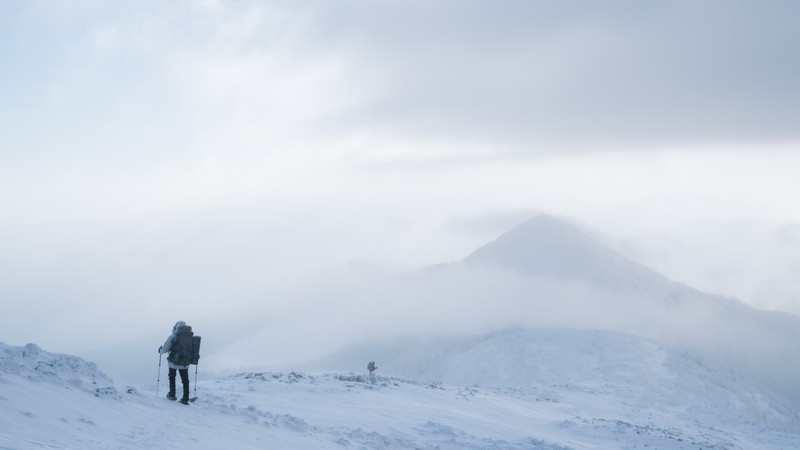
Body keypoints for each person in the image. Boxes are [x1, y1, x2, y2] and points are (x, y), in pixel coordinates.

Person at [159, 321, 192, 404]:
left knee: (172, 377)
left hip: (173, 362)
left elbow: (165, 349)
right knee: (185, 380)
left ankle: (172, 394)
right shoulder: (190, 336)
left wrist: (160, 351)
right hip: (185, 362)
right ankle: (185, 398)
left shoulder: (173, 336)